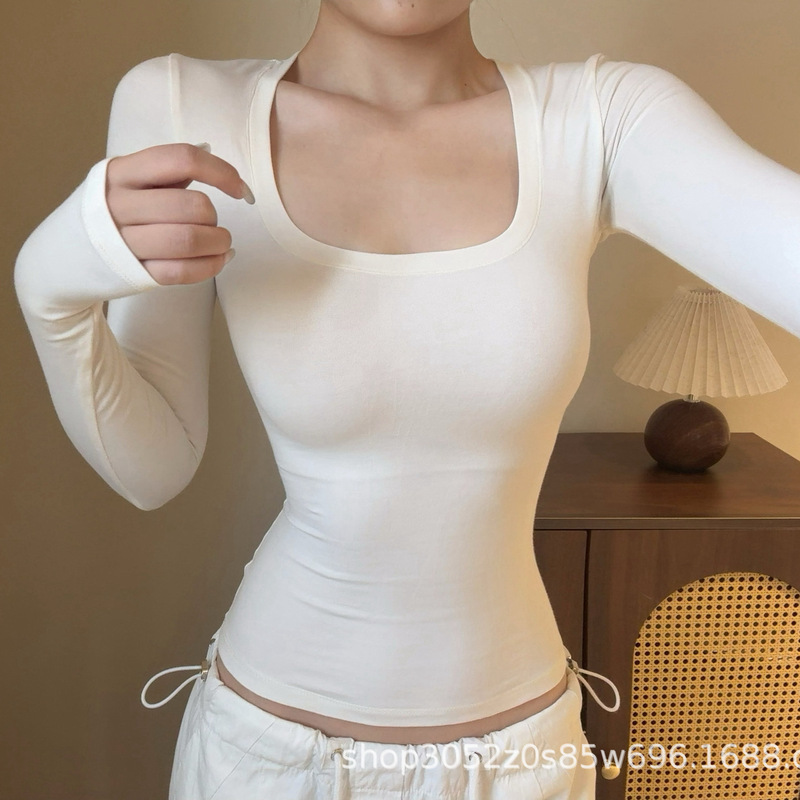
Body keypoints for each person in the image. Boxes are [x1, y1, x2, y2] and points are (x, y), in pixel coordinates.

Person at [13, 0, 800, 798]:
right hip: (270, 760)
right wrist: (47, 292)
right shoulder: (183, 105)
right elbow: (153, 470)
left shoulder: (601, 119)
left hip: (521, 767)